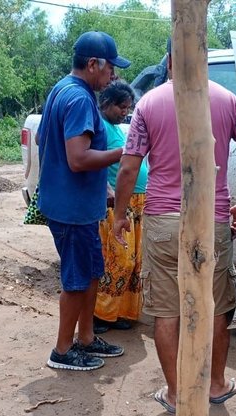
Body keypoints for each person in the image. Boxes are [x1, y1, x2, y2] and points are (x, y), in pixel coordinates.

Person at [113, 38, 236, 412]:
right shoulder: (228, 100)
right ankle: (216, 385)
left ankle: (176, 393)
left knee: (167, 311)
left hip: (163, 221)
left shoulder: (149, 102)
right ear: (203, 59)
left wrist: (121, 214)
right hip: (213, 219)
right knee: (216, 306)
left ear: (170, 61)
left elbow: (129, 165)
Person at [37, 31, 131, 371]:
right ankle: (62, 351)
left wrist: (99, 188)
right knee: (76, 281)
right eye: (110, 69)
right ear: (93, 64)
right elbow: (77, 158)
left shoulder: (63, 89)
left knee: (91, 273)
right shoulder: (77, 99)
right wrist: (124, 152)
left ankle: (87, 338)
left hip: (75, 203)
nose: (114, 77)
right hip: (72, 210)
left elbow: (50, 143)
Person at [93, 81, 148, 333]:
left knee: (134, 261)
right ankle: (101, 313)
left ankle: (121, 311)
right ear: (106, 103)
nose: (125, 112)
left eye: (128, 107)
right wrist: (106, 189)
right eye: (121, 107)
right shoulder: (99, 126)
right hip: (117, 203)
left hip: (137, 203)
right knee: (118, 259)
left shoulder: (118, 127)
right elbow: (94, 164)